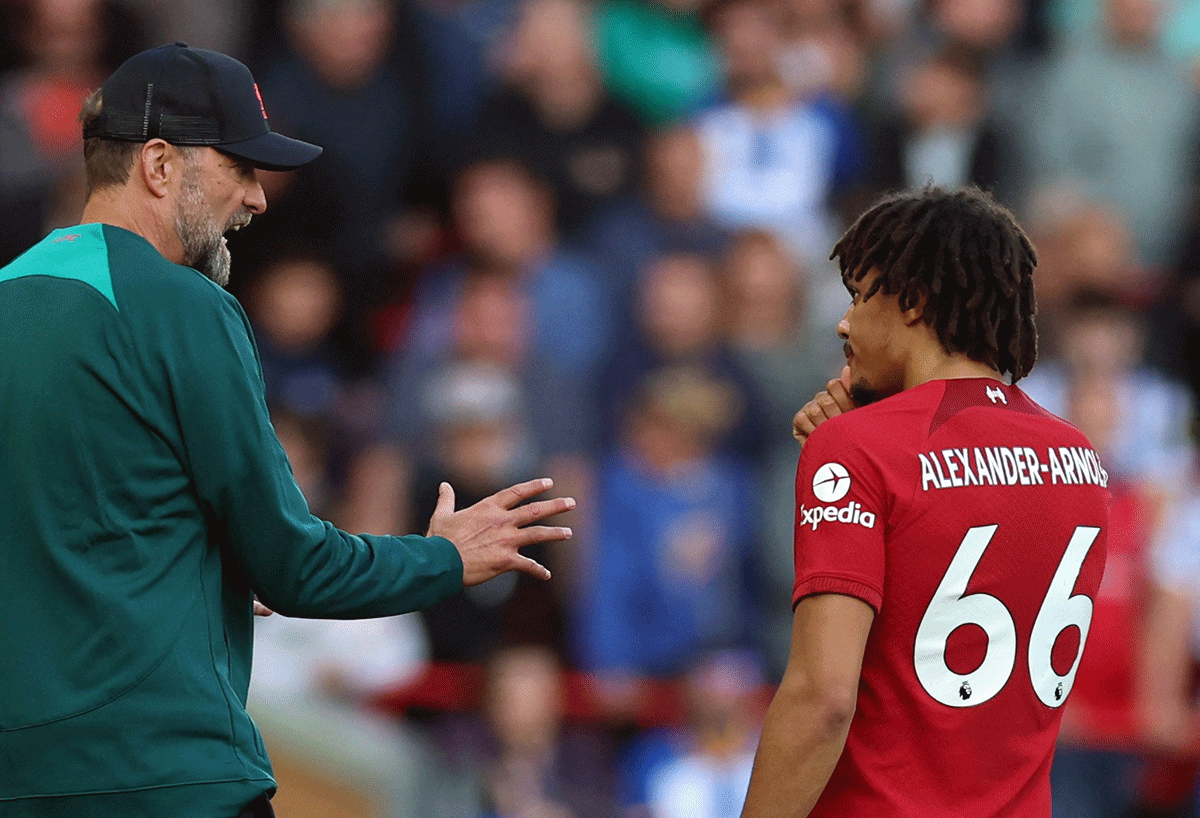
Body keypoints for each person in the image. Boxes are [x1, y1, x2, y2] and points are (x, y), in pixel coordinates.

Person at [0, 43, 574, 818]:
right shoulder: (184, 306)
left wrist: (205, 567)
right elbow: (292, 566)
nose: (259, 199)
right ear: (161, 165)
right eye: (240, 166)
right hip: (170, 776)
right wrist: (442, 557)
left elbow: (94, 526)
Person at [740, 186, 1111, 817]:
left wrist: (851, 447)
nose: (844, 322)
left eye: (860, 296)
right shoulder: (1082, 461)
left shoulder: (857, 449)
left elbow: (822, 700)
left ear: (912, 302)